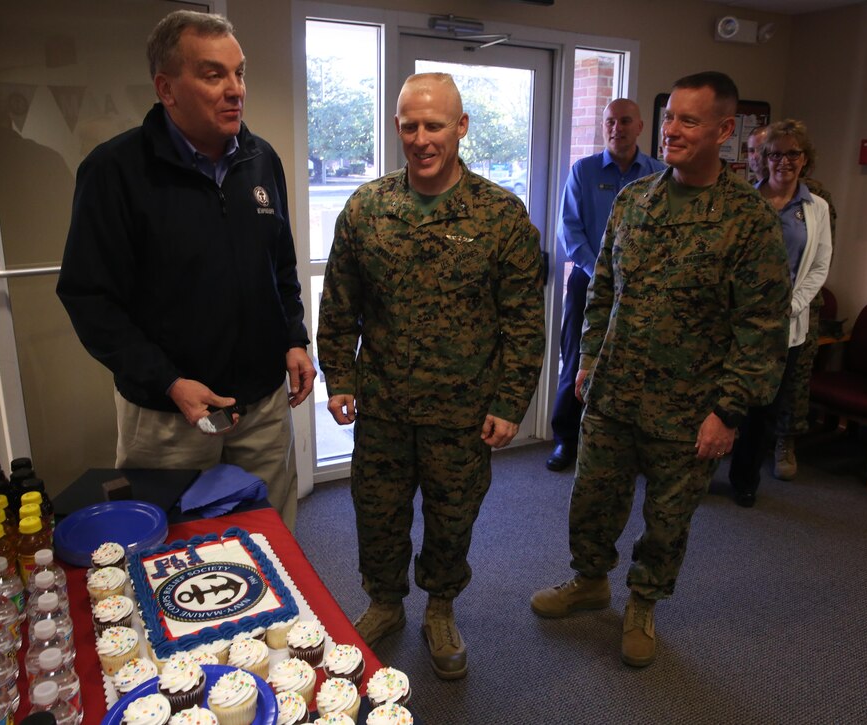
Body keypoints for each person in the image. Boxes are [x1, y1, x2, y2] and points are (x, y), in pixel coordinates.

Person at [530, 71, 791, 668]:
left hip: (688, 405)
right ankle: (589, 580)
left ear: (725, 131)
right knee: (593, 498)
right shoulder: (634, 199)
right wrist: (589, 357)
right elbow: (602, 290)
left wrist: (728, 411)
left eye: (688, 121)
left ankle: (643, 603)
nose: (671, 130)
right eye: (669, 117)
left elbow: (762, 328)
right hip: (614, 391)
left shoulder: (746, 222)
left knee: (667, 518)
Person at [317, 72, 545, 680]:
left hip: (462, 413)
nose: (422, 138)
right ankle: (385, 603)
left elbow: (524, 320)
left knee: (452, 516)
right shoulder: (366, 207)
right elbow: (339, 304)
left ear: (461, 127)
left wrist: (511, 401)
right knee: (378, 511)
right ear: (397, 127)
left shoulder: (500, 215)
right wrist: (338, 378)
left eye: (435, 125)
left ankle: (440, 609)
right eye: (410, 125)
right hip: (384, 407)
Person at [57, 10, 314, 531]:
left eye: (239, 73)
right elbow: (89, 298)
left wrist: (293, 338)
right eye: (213, 74)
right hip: (168, 417)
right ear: (167, 88)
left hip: (261, 406)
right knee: (173, 550)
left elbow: (279, 265)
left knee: (270, 539)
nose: (235, 89)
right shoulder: (115, 171)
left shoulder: (261, 160)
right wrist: (169, 381)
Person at [547, 98, 665, 472]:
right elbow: (570, 229)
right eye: (610, 122)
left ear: (640, 126)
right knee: (578, 362)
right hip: (587, 283)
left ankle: (624, 445)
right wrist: (599, 271)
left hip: (640, 289)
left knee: (633, 365)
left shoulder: (660, 174)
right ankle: (566, 440)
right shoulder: (584, 171)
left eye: (625, 121)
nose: (617, 128)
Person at [728, 120, 833, 507]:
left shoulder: (816, 208)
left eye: (792, 154)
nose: (783, 162)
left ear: (805, 159)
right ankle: (698, 473)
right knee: (717, 400)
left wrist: (789, 307)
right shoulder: (743, 201)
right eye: (775, 153)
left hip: (783, 325)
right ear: (762, 159)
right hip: (736, 320)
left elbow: (820, 266)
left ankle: (744, 480)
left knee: (760, 409)